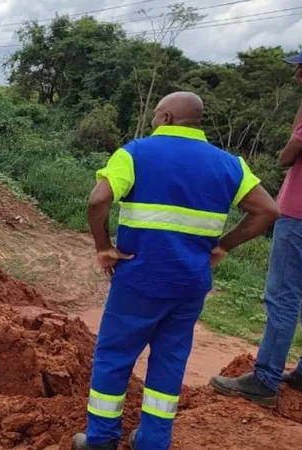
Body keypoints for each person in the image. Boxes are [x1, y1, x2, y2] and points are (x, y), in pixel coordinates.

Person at [72, 91, 279, 450]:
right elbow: (267, 210)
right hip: (190, 284)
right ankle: (153, 441)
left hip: (139, 279)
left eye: (154, 115)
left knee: (114, 355)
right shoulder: (230, 164)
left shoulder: (135, 153)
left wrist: (104, 248)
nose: (152, 122)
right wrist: (224, 245)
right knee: (169, 360)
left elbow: (97, 199)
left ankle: (101, 440)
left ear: (166, 117)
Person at [210, 37, 302, 404]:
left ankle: (265, 379)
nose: (301, 72)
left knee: (283, 298)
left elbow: (287, 154)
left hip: (301, 213)